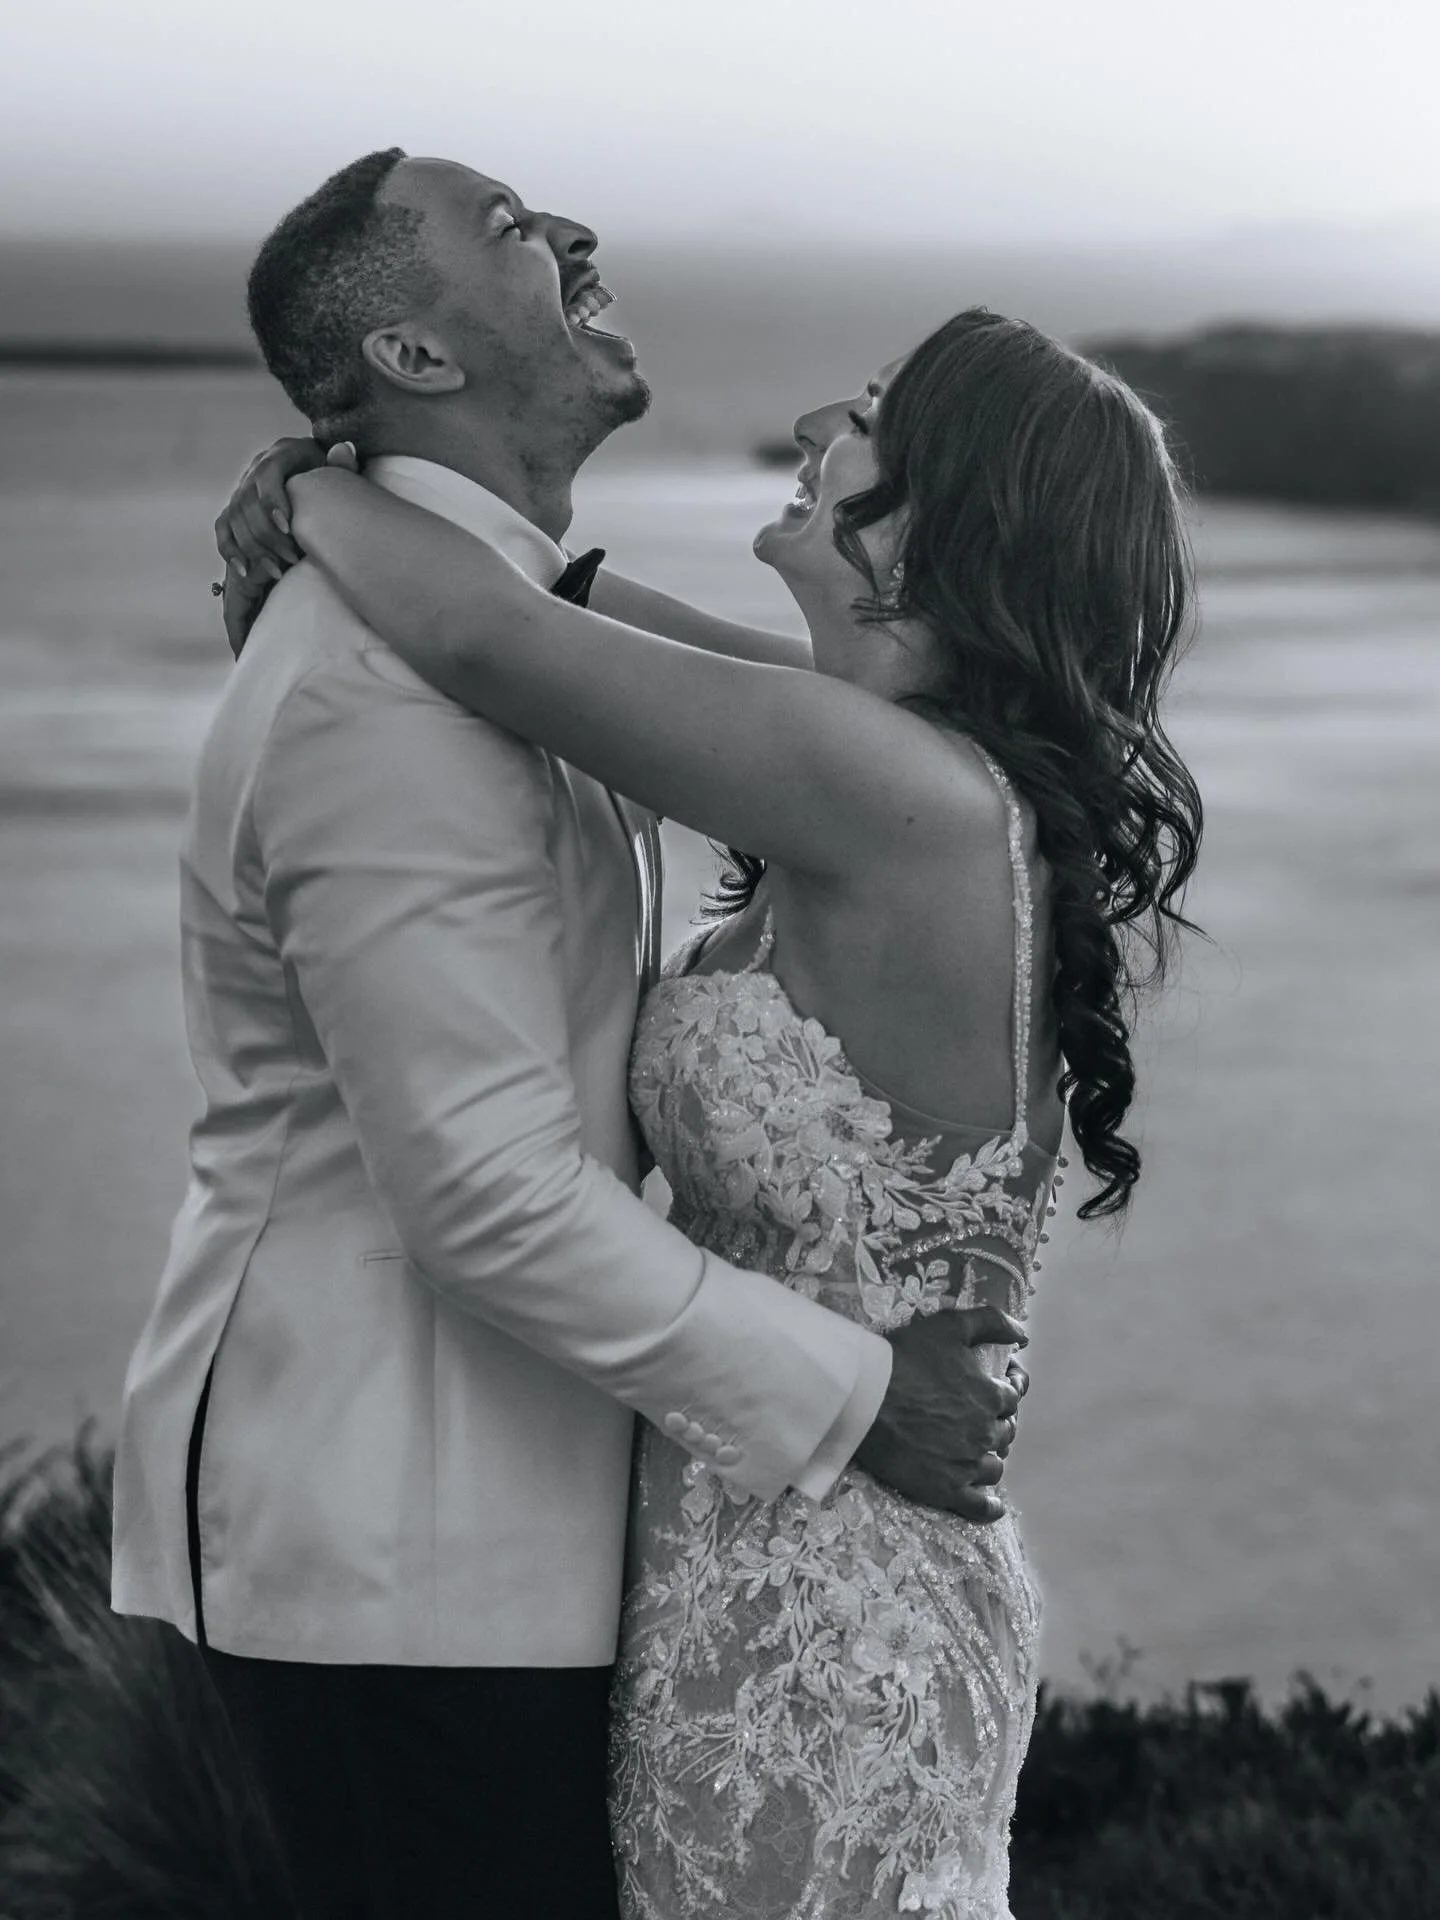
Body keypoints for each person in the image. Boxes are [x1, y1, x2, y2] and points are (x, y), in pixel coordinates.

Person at [112, 149, 1031, 1920]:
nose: (575, 237)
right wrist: (857, 1398)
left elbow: (550, 639)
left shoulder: (497, 640)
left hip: (509, 1541)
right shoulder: (386, 690)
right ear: (419, 355)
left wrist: (325, 493)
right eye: (513, 228)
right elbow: (481, 1194)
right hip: (406, 1546)